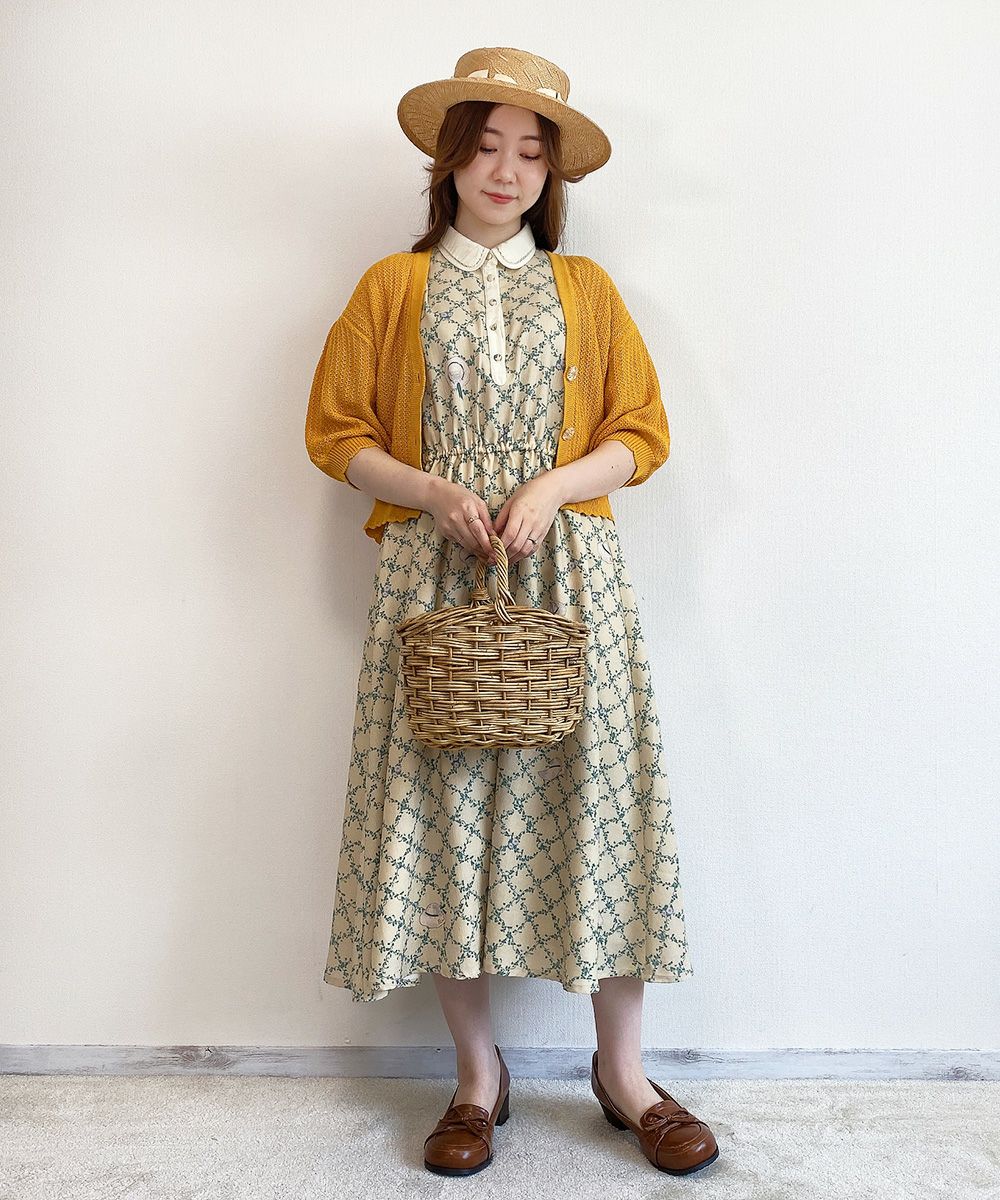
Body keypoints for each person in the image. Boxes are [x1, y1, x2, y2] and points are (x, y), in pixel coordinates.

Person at [305, 46, 719, 1179]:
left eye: (530, 154)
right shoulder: (391, 289)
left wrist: (551, 487)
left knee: (602, 801)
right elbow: (337, 433)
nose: (505, 170)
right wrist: (430, 490)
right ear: (448, 161)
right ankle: (477, 1079)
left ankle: (624, 1076)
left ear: (552, 174)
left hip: (570, 580)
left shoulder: (586, 290)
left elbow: (640, 432)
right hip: (433, 581)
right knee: (441, 812)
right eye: (485, 147)